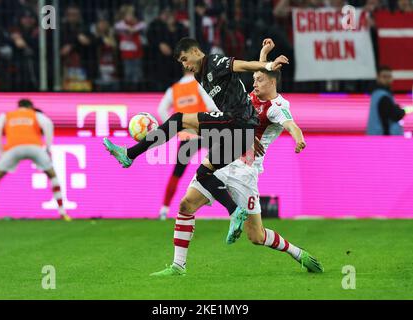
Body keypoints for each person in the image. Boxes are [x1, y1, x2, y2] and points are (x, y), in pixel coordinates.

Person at [150, 38, 323, 277]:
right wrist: (264, 53)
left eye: (259, 79)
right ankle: (178, 266)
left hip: (245, 171)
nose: (254, 82)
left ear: (272, 81)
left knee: (257, 236)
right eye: (255, 79)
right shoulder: (253, 96)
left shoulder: (277, 106)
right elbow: (257, 73)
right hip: (225, 153)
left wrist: (298, 138)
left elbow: (290, 123)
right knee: (186, 204)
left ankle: (297, 253)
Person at [104, 37, 289, 244]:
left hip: (238, 122)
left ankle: (129, 154)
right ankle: (234, 212)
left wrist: (269, 64)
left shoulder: (215, 62)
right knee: (203, 174)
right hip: (239, 131)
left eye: (185, 59)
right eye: (181, 63)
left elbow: (243, 65)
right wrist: (247, 136)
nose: (185, 65)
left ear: (195, 52)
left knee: (177, 119)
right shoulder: (199, 77)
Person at [0, 99, 71, 221]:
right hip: (35, 147)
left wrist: (1, 151)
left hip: (13, 148)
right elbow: (48, 125)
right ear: (31, 106)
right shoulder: (35, 114)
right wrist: (47, 148)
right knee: (52, 176)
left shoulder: (6, 115)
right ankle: (62, 212)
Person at [157, 68, 218, 220]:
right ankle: (236, 206)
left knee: (177, 173)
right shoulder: (199, 85)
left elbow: (161, 110)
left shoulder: (173, 90)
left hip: (187, 136)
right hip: (205, 133)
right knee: (225, 165)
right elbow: (212, 107)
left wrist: (178, 129)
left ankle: (164, 210)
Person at [366, 66, 413, 135]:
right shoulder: (383, 96)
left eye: (389, 76)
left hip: (377, 136)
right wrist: (403, 110)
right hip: (382, 138)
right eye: (384, 76)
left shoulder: (377, 94)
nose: (387, 79)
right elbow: (394, 115)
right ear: (378, 78)